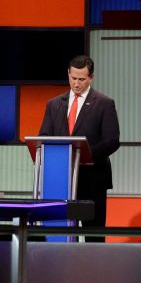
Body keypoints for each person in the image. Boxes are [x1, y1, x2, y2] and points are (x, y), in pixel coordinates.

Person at [38, 55, 120, 239]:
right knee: (61, 233)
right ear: (68, 74)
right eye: (73, 78)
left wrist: (86, 155)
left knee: (94, 234)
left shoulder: (104, 103)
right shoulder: (54, 104)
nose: (76, 83)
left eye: (81, 79)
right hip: (60, 178)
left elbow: (112, 140)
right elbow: (43, 136)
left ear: (91, 78)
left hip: (92, 179)